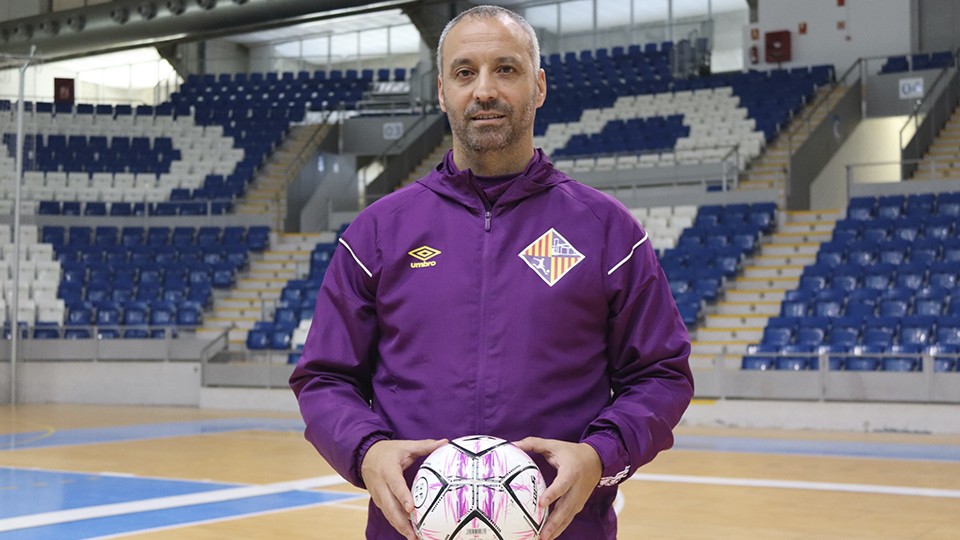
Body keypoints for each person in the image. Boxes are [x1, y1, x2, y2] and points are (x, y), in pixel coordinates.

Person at [290, 5, 694, 539]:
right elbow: (324, 377)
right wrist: (365, 450)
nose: (484, 90)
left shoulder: (605, 230)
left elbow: (661, 373)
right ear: (441, 91)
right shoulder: (379, 232)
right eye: (465, 72)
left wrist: (600, 455)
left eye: (506, 69)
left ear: (539, 85)